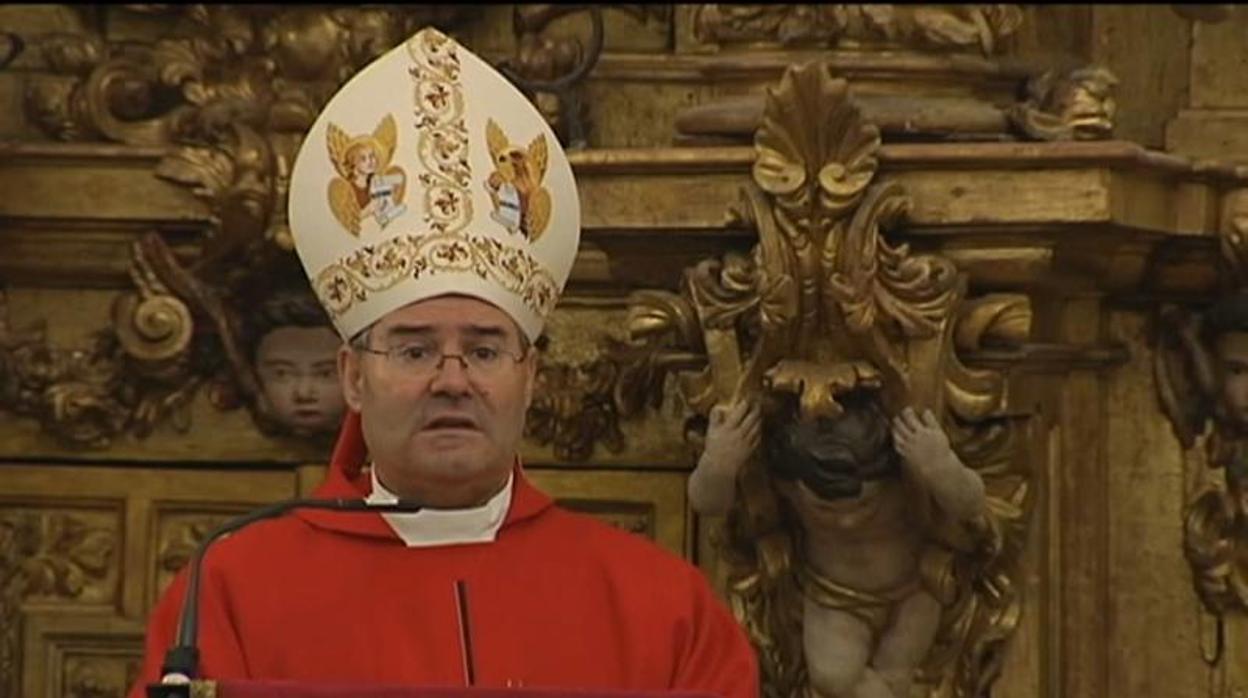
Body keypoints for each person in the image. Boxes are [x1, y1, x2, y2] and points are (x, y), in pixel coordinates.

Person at [128, 26, 758, 698]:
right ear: (353, 377)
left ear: (531, 377)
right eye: (415, 348)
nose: (452, 380)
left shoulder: (660, 606)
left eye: (484, 349)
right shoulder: (232, 589)